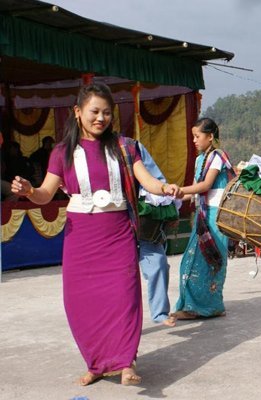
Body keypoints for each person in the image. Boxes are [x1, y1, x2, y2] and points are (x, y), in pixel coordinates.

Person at [11, 83, 182, 386]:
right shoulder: (62, 153)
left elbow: (148, 181)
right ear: (78, 113)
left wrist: (164, 188)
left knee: (124, 297)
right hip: (81, 238)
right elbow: (45, 195)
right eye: (94, 112)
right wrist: (28, 191)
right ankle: (96, 363)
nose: (100, 118)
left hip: (117, 234)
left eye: (106, 113)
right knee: (81, 303)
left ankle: (125, 361)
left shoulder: (126, 147)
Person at [170, 117, 235, 320]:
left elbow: (205, 186)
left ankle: (210, 307)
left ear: (210, 136)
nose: (195, 141)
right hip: (202, 216)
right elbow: (194, 192)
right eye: (193, 137)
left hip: (216, 217)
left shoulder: (218, 156)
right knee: (190, 263)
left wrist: (181, 191)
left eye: (197, 136)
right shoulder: (200, 160)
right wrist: (170, 196)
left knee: (212, 261)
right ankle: (192, 305)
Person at [137, 142, 180, 327]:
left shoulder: (132, 148)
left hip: (145, 222)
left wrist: (169, 204)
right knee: (120, 277)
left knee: (158, 264)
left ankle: (160, 312)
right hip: (111, 222)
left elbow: (156, 177)